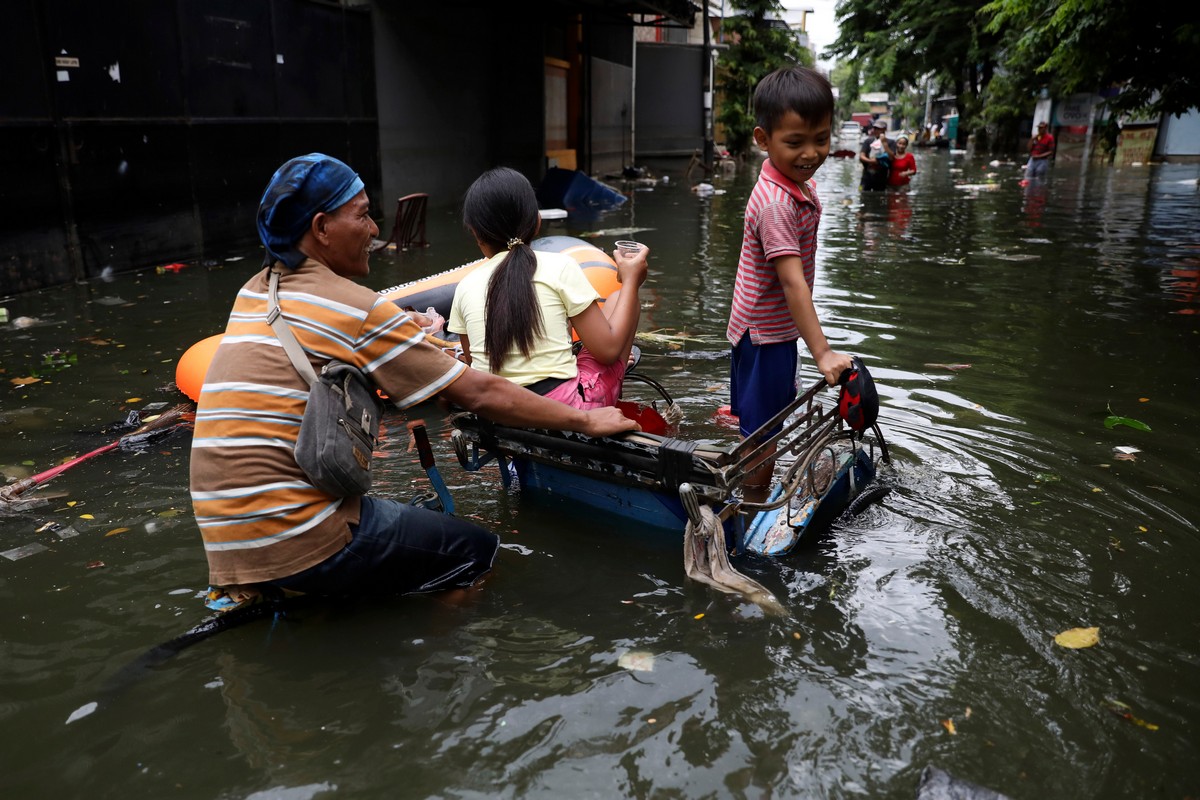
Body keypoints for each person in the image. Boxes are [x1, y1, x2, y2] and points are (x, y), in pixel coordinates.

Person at [190, 154, 639, 601]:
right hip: (299, 535)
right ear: (322, 228)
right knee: (477, 551)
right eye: (364, 216)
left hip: (226, 542)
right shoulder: (355, 306)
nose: (374, 232)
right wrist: (587, 421)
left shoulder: (254, 290)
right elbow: (478, 390)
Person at [726, 66, 853, 504]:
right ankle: (752, 504)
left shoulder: (792, 185)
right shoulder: (778, 204)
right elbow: (792, 282)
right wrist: (823, 352)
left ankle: (748, 478)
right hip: (766, 336)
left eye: (821, 139)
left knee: (759, 422)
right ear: (763, 139)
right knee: (764, 432)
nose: (811, 153)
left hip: (758, 328)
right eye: (795, 143)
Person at [449, 166, 648, 410]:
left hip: (496, 411)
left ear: (476, 234)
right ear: (537, 223)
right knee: (623, 296)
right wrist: (631, 280)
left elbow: (474, 363)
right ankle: (612, 389)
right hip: (564, 410)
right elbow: (607, 352)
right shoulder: (561, 266)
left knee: (616, 299)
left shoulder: (465, 285)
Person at [859, 118, 891, 191]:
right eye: (875, 128)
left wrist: (884, 143)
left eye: (878, 129)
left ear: (884, 129)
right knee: (863, 193)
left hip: (882, 178)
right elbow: (861, 156)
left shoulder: (890, 142)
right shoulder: (868, 141)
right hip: (867, 177)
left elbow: (892, 158)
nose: (876, 131)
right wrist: (871, 161)